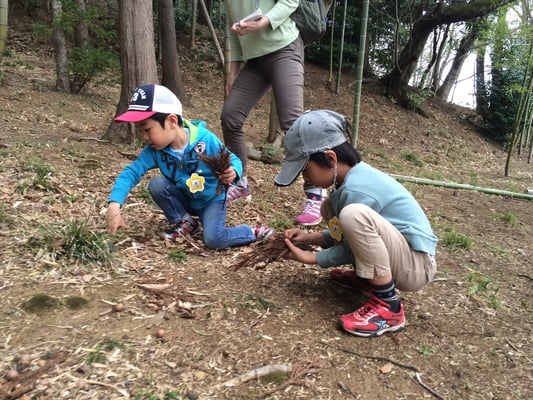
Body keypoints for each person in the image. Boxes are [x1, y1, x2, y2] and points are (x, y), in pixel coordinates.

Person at [274, 110, 438, 337]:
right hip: (399, 256)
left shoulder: (357, 189)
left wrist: (313, 258)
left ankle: (388, 307)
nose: (305, 179)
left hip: (416, 267)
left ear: (331, 159)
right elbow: (349, 236)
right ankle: (368, 277)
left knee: (353, 214)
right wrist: (310, 238)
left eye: (305, 170)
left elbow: (352, 243)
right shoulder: (348, 184)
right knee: (329, 207)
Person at [106, 84, 274, 250]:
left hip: (212, 200)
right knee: (157, 185)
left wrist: (233, 171)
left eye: (147, 129)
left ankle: (253, 231)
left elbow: (234, 159)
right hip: (186, 197)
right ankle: (186, 222)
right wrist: (114, 204)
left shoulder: (205, 140)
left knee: (214, 239)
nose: (144, 136)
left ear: (172, 121)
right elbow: (131, 172)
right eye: (140, 131)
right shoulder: (155, 151)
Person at [221, 0, 327, 226]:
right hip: (255, 61)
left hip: (284, 47)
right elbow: (233, 29)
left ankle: (316, 194)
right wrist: (233, 69)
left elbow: (291, 1)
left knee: (294, 125)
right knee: (230, 116)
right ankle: (240, 183)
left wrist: (264, 21)